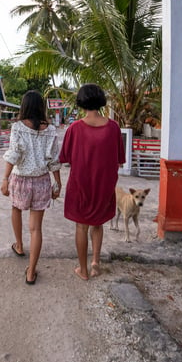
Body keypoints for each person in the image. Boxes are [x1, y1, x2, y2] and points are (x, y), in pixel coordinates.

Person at [59, 84, 125, 280]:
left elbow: (66, 158)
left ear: (81, 102)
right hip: (104, 185)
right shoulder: (113, 127)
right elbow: (120, 160)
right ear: (101, 100)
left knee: (81, 226)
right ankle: (95, 262)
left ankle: (83, 269)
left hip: (81, 185)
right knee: (98, 223)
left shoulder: (74, 128)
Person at [1, 90, 62, 285]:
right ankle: (31, 272)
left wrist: (5, 178)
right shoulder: (51, 130)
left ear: (24, 106)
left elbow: (14, 154)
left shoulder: (18, 127)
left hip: (20, 180)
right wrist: (58, 183)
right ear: (42, 107)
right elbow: (54, 160)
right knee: (36, 229)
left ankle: (19, 245)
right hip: (42, 181)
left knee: (16, 209)